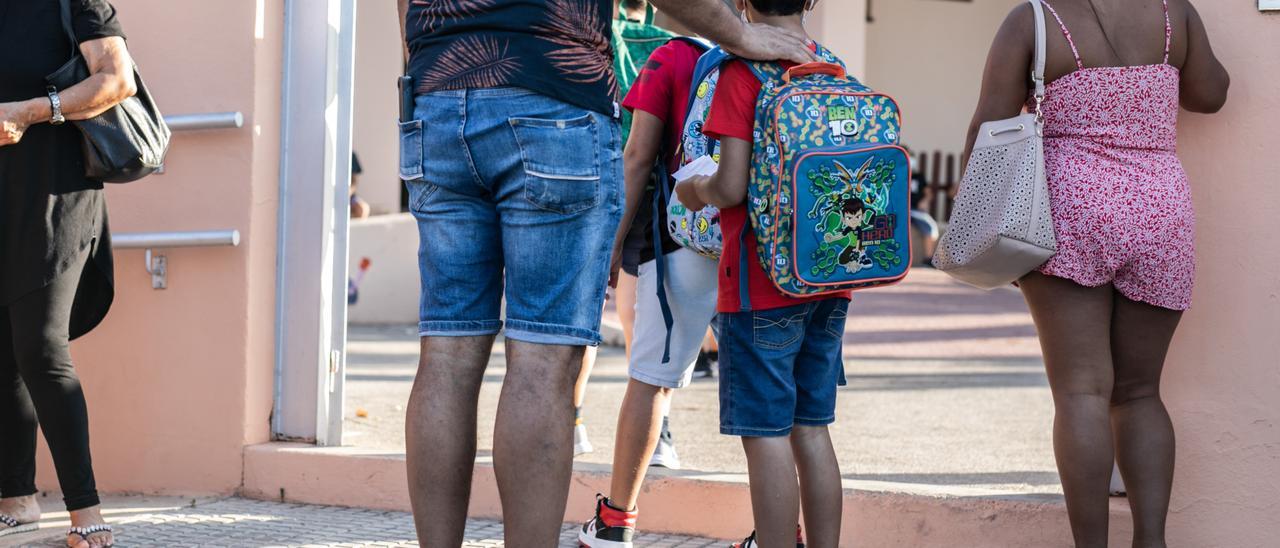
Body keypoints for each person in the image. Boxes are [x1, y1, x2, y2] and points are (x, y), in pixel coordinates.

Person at [394, 0, 818, 544]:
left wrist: (422, 69)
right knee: (542, 359)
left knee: (447, 352)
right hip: (553, 93)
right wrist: (740, 33)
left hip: (435, 97)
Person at [965, 0, 1228, 546]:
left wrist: (981, 222)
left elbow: (988, 127)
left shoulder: (1033, 19)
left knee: (1082, 394)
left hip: (1066, 209)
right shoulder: (1171, 12)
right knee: (1138, 394)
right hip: (1159, 209)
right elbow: (1211, 94)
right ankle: (1151, 540)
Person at [675, 0, 849, 545]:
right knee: (812, 427)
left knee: (766, 433)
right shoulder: (831, 66)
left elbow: (729, 187)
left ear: (742, 3)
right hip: (828, 274)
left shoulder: (741, 70)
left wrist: (691, 188)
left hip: (759, 282)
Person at [0, 1, 138, 547]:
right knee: (3, 353)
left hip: (54, 193)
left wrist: (31, 111)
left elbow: (116, 79)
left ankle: (86, 512)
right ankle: (15, 500)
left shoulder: (74, 2)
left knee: (40, 346)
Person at [578, 34, 717, 547]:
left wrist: (611, 247)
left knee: (651, 380)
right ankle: (782, 533)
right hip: (762, 246)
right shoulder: (793, 54)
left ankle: (615, 525)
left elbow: (637, 156)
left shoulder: (673, 55)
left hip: (683, 236)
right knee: (778, 401)